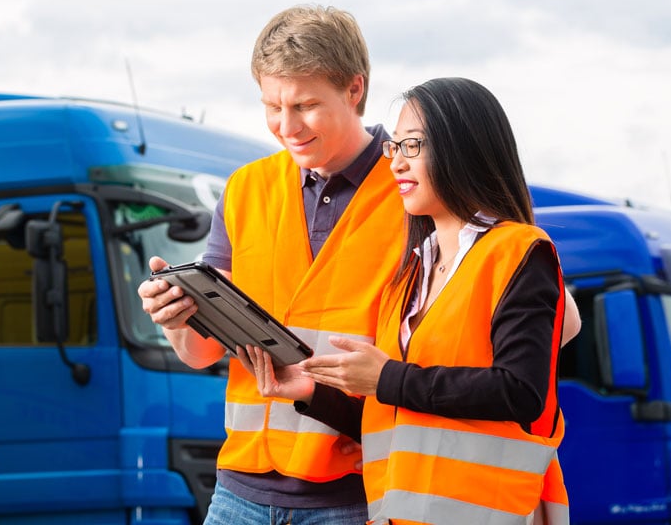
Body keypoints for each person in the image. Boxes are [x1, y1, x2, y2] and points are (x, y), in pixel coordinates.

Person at [244, 77, 572, 524]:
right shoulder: (410, 274)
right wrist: (312, 393)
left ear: (464, 147)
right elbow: (395, 415)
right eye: (393, 147)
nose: (396, 162)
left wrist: (387, 378)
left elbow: (521, 393)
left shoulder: (519, 251)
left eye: (412, 146)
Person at [139, 4, 405, 524]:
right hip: (240, 492)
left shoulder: (412, 187)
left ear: (354, 89)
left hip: (356, 494)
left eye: (305, 105)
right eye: (271, 106)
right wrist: (175, 319)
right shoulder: (246, 190)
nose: (286, 127)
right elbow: (199, 353)